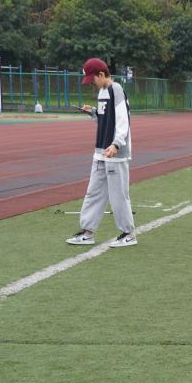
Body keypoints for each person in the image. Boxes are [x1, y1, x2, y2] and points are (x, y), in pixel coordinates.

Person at [65, 57, 136, 248]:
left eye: (92, 79)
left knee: (118, 195)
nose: (92, 84)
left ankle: (128, 234)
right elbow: (106, 119)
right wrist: (93, 112)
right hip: (100, 152)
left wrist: (116, 144)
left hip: (115, 153)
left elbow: (123, 120)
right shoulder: (102, 92)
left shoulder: (116, 89)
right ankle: (87, 232)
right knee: (93, 193)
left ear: (102, 74)